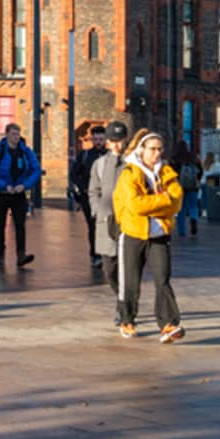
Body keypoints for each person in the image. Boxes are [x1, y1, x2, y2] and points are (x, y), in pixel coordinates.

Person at [113, 129, 185, 342]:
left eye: (160, 149)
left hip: (159, 234)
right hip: (134, 232)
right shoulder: (129, 173)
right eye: (152, 149)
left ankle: (168, 324)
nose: (157, 153)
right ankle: (127, 320)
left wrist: (155, 205)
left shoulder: (167, 173)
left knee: (163, 279)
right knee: (130, 281)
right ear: (142, 150)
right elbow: (135, 205)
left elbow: (176, 201)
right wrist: (163, 202)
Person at [0, 123, 41, 268]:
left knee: (20, 224)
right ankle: (0, 254)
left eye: (18, 134)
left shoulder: (26, 152)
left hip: (18, 193)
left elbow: (36, 170)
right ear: (7, 134)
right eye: (13, 134)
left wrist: (25, 185)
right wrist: (4, 185)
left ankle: (21, 255)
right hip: (2, 193)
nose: (16, 137)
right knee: (0, 224)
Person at [88, 122, 130, 311]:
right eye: (113, 141)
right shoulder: (100, 164)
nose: (116, 145)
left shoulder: (132, 163)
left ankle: (125, 309)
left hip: (129, 222)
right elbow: (93, 191)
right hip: (106, 222)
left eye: (119, 141)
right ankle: (122, 299)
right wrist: (97, 210)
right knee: (110, 269)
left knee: (128, 270)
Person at [71, 126, 110, 271]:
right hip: (90, 198)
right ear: (92, 139)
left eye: (101, 139)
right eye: (96, 139)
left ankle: (105, 253)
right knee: (93, 226)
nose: (99, 142)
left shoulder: (111, 155)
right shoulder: (84, 156)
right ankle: (95, 254)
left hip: (107, 197)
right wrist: (84, 188)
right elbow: (74, 174)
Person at [173, 144, 203, 238]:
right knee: (193, 206)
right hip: (193, 187)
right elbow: (200, 171)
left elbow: (171, 173)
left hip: (180, 187)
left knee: (180, 209)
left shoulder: (175, 159)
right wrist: (197, 180)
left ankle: (182, 231)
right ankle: (193, 218)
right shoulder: (193, 158)